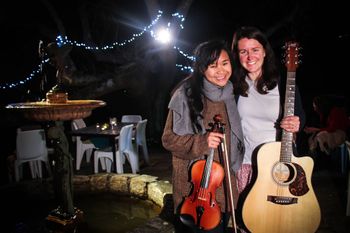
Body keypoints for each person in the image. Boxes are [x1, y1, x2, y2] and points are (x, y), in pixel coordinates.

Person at [162, 40, 244, 233]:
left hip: (223, 188)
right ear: (201, 69)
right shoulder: (185, 95)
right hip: (194, 189)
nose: (221, 70)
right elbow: (168, 139)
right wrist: (202, 141)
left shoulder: (231, 94)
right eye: (212, 66)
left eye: (225, 63)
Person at [230, 26, 306, 196]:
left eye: (255, 50)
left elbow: (300, 116)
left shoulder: (284, 84)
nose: (250, 57)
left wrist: (297, 124)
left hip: (278, 166)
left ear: (264, 51)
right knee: (249, 219)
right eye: (243, 51)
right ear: (237, 55)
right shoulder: (233, 87)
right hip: (247, 164)